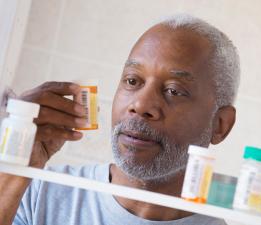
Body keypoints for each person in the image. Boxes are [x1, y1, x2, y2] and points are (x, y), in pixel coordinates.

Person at [0, 14, 240, 225]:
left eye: (174, 91)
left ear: (219, 125)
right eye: (132, 81)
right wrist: (12, 174)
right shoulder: (38, 193)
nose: (141, 105)